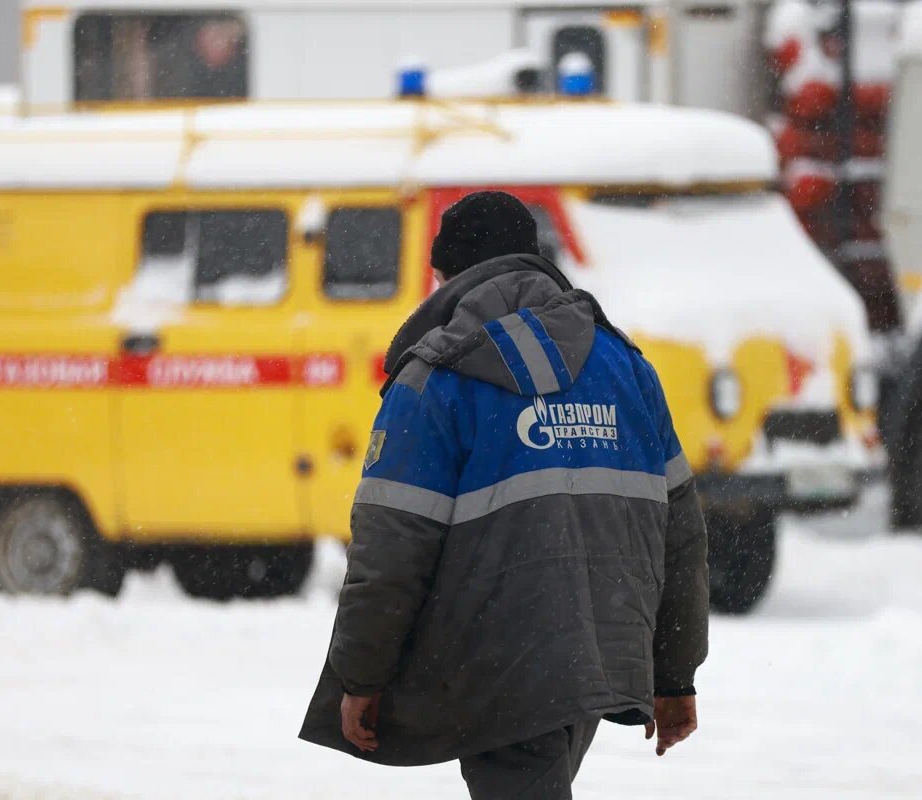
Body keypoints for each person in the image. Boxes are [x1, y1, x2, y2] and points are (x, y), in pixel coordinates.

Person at [299, 191, 709, 799]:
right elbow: (682, 530)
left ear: (446, 276)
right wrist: (675, 674)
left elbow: (392, 547)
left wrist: (361, 673)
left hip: (501, 660)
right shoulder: (626, 367)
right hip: (595, 654)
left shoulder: (438, 378)